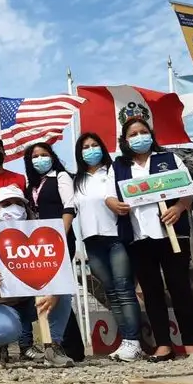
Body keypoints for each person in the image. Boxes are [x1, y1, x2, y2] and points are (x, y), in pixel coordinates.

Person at [106, 117, 193, 360]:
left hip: (172, 235)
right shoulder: (118, 166)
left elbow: (189, 189)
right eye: (133, 134)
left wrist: (179, 208)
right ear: (125, 140)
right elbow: (109, 196)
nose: (139, 137)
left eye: (143, 131)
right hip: (139, 238)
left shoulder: (169, 159)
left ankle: (191, 344)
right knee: (151, 291)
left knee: (180, 287)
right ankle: (163, 344)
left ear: (151, 134)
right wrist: (115, 204)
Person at [0, 186, 74, 368]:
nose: (14, 208)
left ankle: (53, 347)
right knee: (7, 330)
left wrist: (53, 293)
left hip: (30, 303)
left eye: (19, 204)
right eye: (7, 204)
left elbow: (55, 273)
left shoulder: (42, 235)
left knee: (62, 294)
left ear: (27, 210)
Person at [72, 133, 143, 362]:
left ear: (102, 148)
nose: (90, 150)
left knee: (124, 289)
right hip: (91, 242)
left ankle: (134, 341)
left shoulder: (113, 172)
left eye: (94, 145)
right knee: (111, 292)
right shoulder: (77, 180)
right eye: (85, 147)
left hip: (115, 237)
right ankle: (126, 341)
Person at [22, 142, 85, 363]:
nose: (40, 159)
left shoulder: (61, 177)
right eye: (35, 156)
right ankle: (66, 345)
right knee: (48, 293)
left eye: (44, 155)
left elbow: (70, 207)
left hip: (60, 239)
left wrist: (60, 235)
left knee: (60, 290)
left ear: (52, 156)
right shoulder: (31, 185)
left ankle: (61, 343)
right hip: (38, 245)